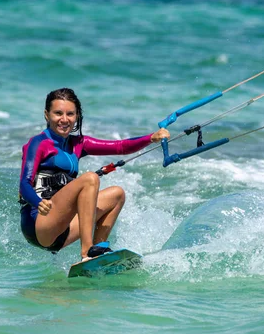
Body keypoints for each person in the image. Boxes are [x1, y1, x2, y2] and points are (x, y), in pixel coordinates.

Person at [19, 87, 169, 262]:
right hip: (39, 224)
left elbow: (120, 147)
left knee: (117, 194)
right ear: (47, 115)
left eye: (70, 114)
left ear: (77, 116)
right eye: (58, 113)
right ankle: (87, 252)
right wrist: (38, 203)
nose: (64, 119)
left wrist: (151, 137)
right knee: (90, 178)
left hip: (63, 229)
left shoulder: (79, 144)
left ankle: (98, 253)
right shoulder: (39, 143)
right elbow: (24, 184)